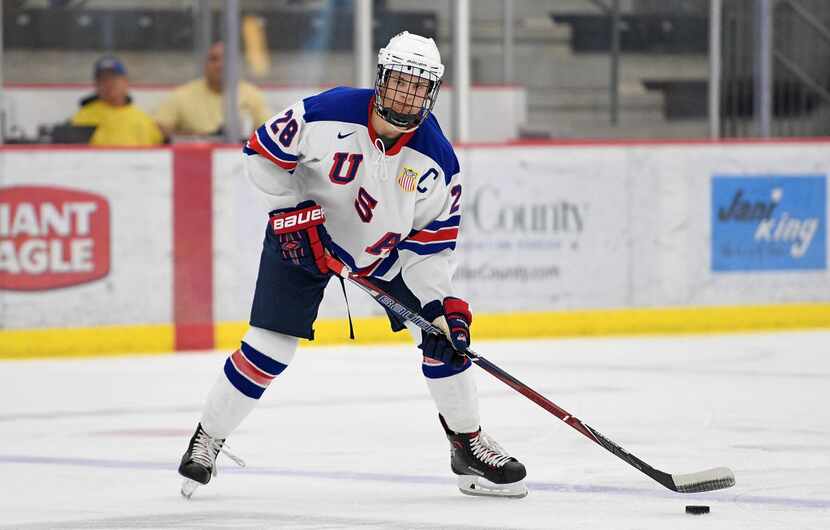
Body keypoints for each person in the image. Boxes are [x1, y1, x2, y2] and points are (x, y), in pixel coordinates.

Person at [177, 31, 528, 499]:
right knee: (269, 348)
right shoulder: (328, 112)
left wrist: (438, 305)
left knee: (442, 339)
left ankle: (467, 444)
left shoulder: (438, 162)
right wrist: (288, 213)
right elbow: (260, 156)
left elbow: (430, 250)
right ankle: (208, 438)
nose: (408, 95)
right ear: (382, 78)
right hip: (301, 238)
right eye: (401, 82)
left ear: (432, 92)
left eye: (419, 86)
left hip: (383, 258)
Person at [153, 41, 272, 138]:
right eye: (214, 59)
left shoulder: (252, 94)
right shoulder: (183, 94)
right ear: (205, 64)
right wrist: (194, 139)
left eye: (226, 59)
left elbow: (270, 132)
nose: (219, 65)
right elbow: (159, 128)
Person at [70, 56, 164, 146]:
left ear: (126, 82)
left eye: (114, 78)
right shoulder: (82, 118)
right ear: (96, 85)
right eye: (103, 79)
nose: (108, 84)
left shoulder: (144, 120)